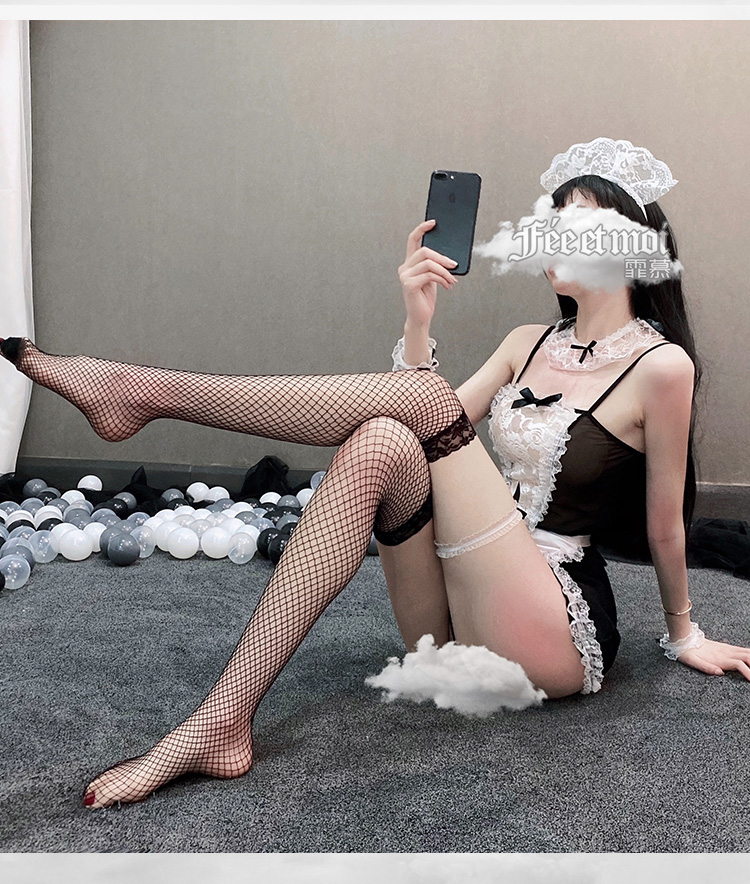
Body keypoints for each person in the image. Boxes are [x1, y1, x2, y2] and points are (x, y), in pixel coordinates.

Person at [1, 137, 748, 810]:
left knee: (413, 412)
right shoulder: (527, 341)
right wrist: (417, 321)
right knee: (384, 440)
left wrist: (684, 634)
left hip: (551, 626)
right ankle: (221, 722)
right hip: (456, 612)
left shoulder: (661, 366)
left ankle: (144, 393)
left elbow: (663, 523)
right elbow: (428, 424)